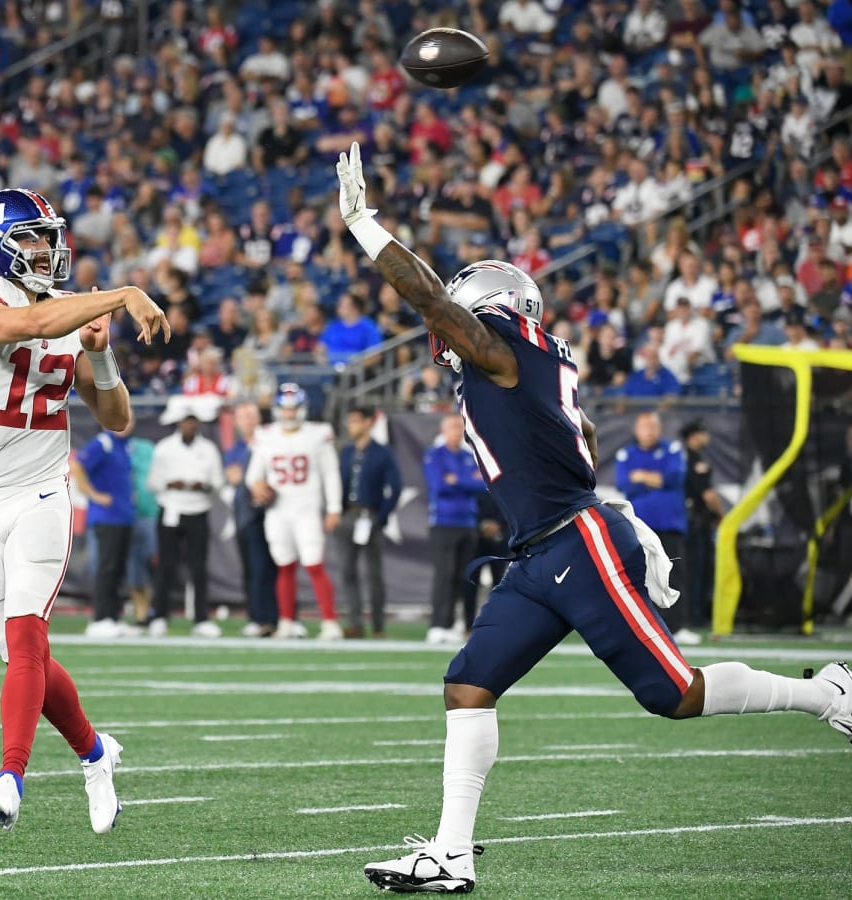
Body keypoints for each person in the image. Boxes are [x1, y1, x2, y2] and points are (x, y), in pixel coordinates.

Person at [335, 142, 852, 894]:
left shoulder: (506, 349)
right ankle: (451, 853)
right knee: (468, 683)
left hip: (574, 547)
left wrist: (366, 228)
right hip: (540, 555)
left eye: (459, 314)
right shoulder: (534, 362)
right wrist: (616, 510)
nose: (442, 335)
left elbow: (433, 304)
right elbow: (582, 447)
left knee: (675, 695)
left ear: (490, 310)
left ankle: (827, 692)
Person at [0, 188, 170, 833]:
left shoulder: (64, 316)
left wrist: (99, 352)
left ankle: (11, 777)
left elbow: (117, 419)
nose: (47, 248)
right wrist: (121, 293)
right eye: (32, 236)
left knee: (28, 633)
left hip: (39, 492)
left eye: (49, 236)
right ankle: (95, 753)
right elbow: (26, 327)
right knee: (20, 658)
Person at [245, 384, 343, 640]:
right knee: (284, 565)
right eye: (285, 409)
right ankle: (286, 621)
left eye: (293, 409)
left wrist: (334, 507)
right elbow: (253, 475)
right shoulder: (266, 435)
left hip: (307, 507)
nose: (289, 414)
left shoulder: (318, 434)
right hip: (278, 510)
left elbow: (330, 472)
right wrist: (257, 485)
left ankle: (330, 623)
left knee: (314, 565)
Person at [615, 411, 699, 645]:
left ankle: (677, 626)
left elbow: (673, 478)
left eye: (653, 425)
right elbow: (625, 485)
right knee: (638, 576)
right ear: (636, 430)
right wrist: (655, 479)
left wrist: (640, 476)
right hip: (639, 527)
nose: (649, 430)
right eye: (644, 426)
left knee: (674, 575)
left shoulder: (673, 449)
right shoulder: (626, 454)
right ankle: (641, 626)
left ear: (659, 428)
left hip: (669, 524)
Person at [145, 397, 226, 638]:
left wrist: (204, 485)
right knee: (166, 566)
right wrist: (172, 483)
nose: (189, 426)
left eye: (193, 421)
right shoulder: (164, 448)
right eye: (185, 421)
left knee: (199, 567)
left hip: (198, 510)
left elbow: (219, 483)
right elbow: (152, 483)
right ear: (178, 423)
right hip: (171, 509)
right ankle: (159, 616)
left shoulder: (208, 449)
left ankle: (201, 618)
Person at [337, 404, 402, 638]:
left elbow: (395, 488)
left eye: (355, 420)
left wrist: (381, 516)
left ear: (368, 422)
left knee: (374, 574)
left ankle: (377, 625)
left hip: (370, 515)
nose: (350, 425)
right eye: (349, 420)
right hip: (348, 515)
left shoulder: (382, 452)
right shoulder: (346, 451)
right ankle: (354, 622)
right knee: (347, 571)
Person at [423, 412, 487, 644]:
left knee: (461, 577)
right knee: (444, 574)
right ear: (443, 430)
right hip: (444, 521)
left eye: (460, 427)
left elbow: (484, 485)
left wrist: (457, 480)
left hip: (467, 522)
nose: (457, 432)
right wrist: (466, 481)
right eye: (452, 427)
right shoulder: (435, 455)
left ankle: (452, 623)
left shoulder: (469, 456)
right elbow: (439, 485)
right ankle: (437, 624)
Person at [70, 421, 136, 638]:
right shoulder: (103, 443)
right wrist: (94, 495)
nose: (127, 423)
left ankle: (112, 617)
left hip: (123, 517)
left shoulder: (124, 445)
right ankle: (99, 618)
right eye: (123, 418)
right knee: (106, 568)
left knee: (117, 569)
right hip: (106, 517)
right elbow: (77, 466)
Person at [225, 401, 278, 638]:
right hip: (246, 515)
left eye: (252, 417)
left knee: (275, 566)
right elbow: (235, 477)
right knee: (252, 568)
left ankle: (279, 616)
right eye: (243, 418)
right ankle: (257, 617)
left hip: (272, 512)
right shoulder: (235, 449)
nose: (248, 422)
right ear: (237, 422)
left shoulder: (270, 444)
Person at [682, 420, 723, 632]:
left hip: (695, 521)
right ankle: (694, 616)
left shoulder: (689, 458)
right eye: (702, 432)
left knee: (697, 570)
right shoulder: (693, 460)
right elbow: (708, 495)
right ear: (694, 435)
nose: (706, 436)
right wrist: (721, 514)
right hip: (697, 521)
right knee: (697, 570)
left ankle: (694, 615)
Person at [125, 429, 159, 626]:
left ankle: (153, 610)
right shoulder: (107, 446)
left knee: (151, 562)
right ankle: (141, 612)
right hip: (124, 516)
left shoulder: (147, 448)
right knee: (132, 567)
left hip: (149, 513)